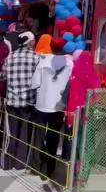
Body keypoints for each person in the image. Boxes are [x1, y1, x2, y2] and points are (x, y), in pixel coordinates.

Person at [30, 40, 73, 179]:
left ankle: (36, 166)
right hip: (58, 106)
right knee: (53, 137)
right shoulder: (70, 63)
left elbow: (35, 83)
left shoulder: (43, 62)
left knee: (38, 135)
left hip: (42, 104)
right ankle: (49, 170)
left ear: (51, 47)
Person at [1, 32, 39, 170]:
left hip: (12, 101)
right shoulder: (36, 58)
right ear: (31, 42)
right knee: (25, 133)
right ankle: (21, 163)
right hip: (28, 102)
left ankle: (8, 162)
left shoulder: (10, 57)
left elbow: (3, 76)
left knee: (11, 132)